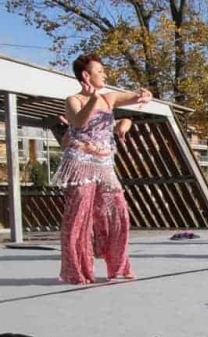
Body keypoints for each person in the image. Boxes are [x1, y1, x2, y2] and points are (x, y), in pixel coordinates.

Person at [54, 52, 151, 285]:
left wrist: (143, 96)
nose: (104, 74)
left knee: (117, 211)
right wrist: (93, 99)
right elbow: (78, 122)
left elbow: (136, 98)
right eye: (100, 71)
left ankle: (119, 265)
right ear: (86, 75)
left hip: (105, 163)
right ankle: (77, 270)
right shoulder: (73, 100)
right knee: (79, 217)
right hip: (80, 163)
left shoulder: (110, 98)